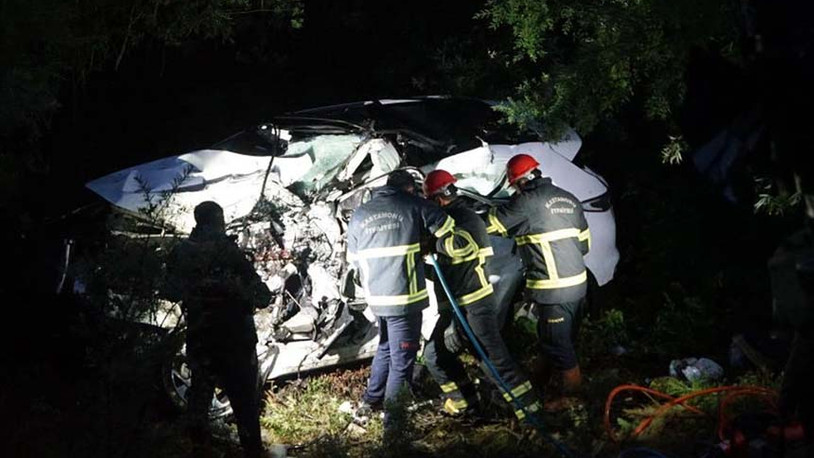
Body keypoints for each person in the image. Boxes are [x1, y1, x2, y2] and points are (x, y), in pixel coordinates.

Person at [421, 169, 543, 422]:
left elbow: (462, 247)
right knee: (435, 356)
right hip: (458, 305)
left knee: (492, 359)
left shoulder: (463, 217)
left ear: (435, 199)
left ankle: (531, 413)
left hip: (475, 303)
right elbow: (448, 267)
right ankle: (467, 405)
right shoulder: (452, 217)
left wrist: (433, 240)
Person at [346, 170, 458, 426]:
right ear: (409, 189)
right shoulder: (412, 204)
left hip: (377, 300)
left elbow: (353, 260)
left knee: (385, 347)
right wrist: (424, 239)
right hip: (404, 299)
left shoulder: (360, 214)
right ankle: (394, 429)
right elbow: (448, 226)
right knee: (402, 361)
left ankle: (370, 401)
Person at [164, 201, 271, 458]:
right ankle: (252, 452)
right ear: (219, 220)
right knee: (244, 405)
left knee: (199, 404)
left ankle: (199, 450)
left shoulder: (181, 252)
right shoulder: (230, 253)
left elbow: (169, 291)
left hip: (201, 339)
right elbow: (262, 297)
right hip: (236, 341)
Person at [484, 154, 591, 407]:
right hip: (578, 286)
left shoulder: (525, 202)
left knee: (558, 344)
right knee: (554, 339)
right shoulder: (570, 199)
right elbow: (584, 246)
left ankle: (573, 404)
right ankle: (542, 383)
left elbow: (489, 226)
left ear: (518, 182)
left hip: (553, 289)